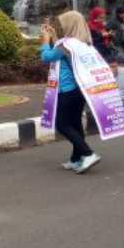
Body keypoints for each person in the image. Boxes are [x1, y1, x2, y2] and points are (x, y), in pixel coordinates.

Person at [41, 11, 102, 174]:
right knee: (75, 123)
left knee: (62, 124)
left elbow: (46, 57)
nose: (60, 27)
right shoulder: (82, 44)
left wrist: (46, 40)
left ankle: (88, 153)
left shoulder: (66, 45)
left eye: (62, 24)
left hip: (67, 90)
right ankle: (76, 158)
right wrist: (54, 37)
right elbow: (60, 54)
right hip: (80, 90)